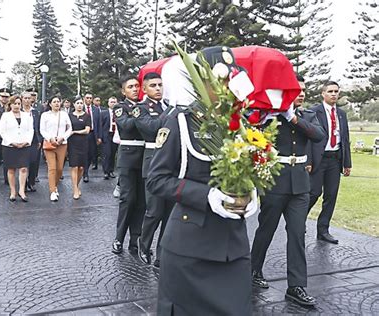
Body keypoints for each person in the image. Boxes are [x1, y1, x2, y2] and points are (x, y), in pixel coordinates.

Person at [146, 49, 257, 316]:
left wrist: (252, 193)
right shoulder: (180, 122)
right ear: (201, 81)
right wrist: (207, 196)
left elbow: (248, 171)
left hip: (233, 248)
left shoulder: (240, 124)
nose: (226, 86)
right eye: (219, 79)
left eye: (229, 79)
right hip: (190, 249)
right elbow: (157, 180)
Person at [250, 75, 325, 306]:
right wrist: (271, 117)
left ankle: (296, 286)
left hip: (300, 183)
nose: (301, 94)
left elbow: (319, 135)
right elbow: (251, 135)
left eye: (303, 90)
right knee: (267, 228)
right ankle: (254, 270)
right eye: (296, 90)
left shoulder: (307, 116)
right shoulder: (268, 116)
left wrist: (291, 117)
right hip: (276, 180)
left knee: (297, 233)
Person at [134, 72, 175, 268]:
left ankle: (162, 252)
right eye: (153, 85)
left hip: (173, 164)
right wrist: (172, 111)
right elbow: (152, 128)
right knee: (154, 211)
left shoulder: (169, 106)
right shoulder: (140, 109)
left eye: (160, 85)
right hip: (153, 163)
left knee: (169, 213)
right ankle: (144, 245)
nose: (158, 88)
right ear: (145, 89)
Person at [308, 81, 352, 244]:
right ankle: (298, 222)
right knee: (314, 193)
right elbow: (308, 139)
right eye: (330, 91)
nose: (334, 94)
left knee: (331, 195)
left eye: (336, 91)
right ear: (323, 94)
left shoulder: (342, 114)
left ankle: (323, 230)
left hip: (335, 159)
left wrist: (347, 163)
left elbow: (345, 139)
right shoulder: (313, 112)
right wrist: (309, 161)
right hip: (319, 159)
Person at [111, 76, 146, 254]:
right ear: (123, 91)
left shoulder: (144, 106)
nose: (135, 89)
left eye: (137, 86)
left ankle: (135, 239)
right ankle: (119, 238)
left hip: (145, 157)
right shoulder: (120, 107)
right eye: (130, 87)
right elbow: (125, 126)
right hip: (128, 158)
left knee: (141, 202)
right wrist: (142, 116)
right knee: (128, 199)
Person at [0, 95, 34, 202]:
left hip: (24, 145)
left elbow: (30, 130)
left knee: (23, 168)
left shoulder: (27, 115)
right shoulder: (5, 116)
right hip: (9, 146)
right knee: (11, 169)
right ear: (10, 104)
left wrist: (27, 141)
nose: (17, 106)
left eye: (19, 103)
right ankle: (13, 191)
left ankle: (22, 191)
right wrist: (11, 142)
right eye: (15, 103)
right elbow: (2, 131)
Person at [40, 96, 72, 202]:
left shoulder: (64, 114)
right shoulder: (45, 115)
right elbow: (42, 130)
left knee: (59, 169)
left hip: (62, 143)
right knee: (52, 168)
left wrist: (63, 137)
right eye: (54, 102)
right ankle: (52, 191)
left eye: (58, 101)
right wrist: (50, 138)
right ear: (50, 104)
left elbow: (69, 128)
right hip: (50, 144)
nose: (57, 103)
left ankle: (55, 185)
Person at [68, 96, 91, 200]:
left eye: (81, 103)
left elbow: (87, 130)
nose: (79, 105)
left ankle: (76, 185)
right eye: (77, 103)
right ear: (74, 105)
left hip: (83, 143)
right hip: (72, 143)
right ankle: (75, 189)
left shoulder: (86, 116)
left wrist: (75, 132)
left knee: (81, 167)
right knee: (74, 166)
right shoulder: (69, 116)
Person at [22, 91, 42, 192]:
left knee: (33, 162)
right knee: (23, 163)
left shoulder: (35, 112)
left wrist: (39, 140)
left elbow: (38, 126)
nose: (27, 100)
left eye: (29, 98)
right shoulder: (18, 111)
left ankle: (31, 182)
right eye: (25, 98)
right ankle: (23, 184)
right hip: (21, 140)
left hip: (34, 140)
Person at [82, 93, 102, 182]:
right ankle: (85, 173)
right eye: (87, 98)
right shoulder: (80, 108)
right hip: (83, 134)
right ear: (84, 99)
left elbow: (99, 124)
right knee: (84, 154)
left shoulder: (96, 110)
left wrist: (99, 137)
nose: (89, 99)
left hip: (93, 134)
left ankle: (86, 168)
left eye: (90, 98)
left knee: (91, 154)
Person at [100, 96, 118, 179]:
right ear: (108, 103)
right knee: (107, 154)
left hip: (115, 136)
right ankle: (106, 172)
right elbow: (100, 125)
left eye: (114, 102)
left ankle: (111, 171)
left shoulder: (119, 113)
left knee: (113, 154)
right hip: (106, 135)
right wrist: (100, 137)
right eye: (111, 102)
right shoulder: (103, 113)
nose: (113, 104)